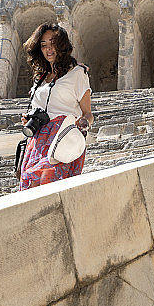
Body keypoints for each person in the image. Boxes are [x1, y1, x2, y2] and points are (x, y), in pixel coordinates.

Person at [18, 22, 93, 190]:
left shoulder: (78, 73)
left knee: (51, 184)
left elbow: (88, 113)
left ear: (62, 45)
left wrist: (83, 124)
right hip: (37, 140)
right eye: (43, 45)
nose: (48, 49)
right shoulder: (39, 79)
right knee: (31, 188)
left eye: (53, 43)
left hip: (62, 137)